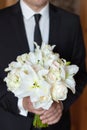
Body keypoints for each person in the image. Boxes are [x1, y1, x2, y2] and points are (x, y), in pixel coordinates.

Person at [0, 0, 87, 130]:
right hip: (10, 124)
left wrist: (61, 105)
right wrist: (21, 103)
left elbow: (80, 75)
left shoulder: (71, 22)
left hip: (57, 126)